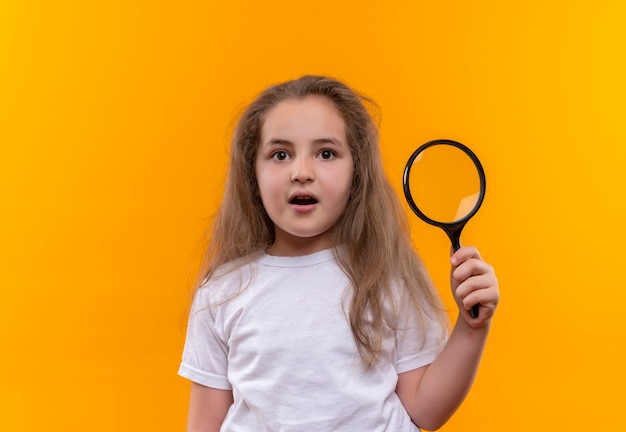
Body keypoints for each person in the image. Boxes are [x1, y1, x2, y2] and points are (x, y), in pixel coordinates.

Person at [178, 75, 499, 431]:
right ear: (253, 173)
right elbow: (205, 422)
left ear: (356, 173)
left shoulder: (386, 275)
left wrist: (472, 329)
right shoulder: (223, 291)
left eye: (326, 153)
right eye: (280, 154)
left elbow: (425, 410)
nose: (302, 173)